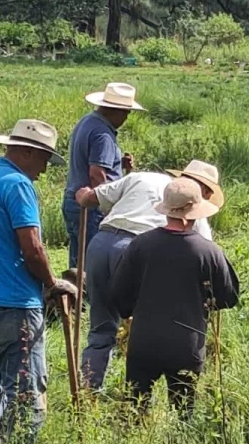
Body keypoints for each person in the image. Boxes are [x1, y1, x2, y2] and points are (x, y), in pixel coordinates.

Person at [0, 119, 77, 444]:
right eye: (44, 160)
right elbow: (32, 247)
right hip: (15, 304)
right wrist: (51, 283)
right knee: (26, 393)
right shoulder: (17, 185)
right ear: (28, 152)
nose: (44, 170)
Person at [74, 161, 222, 389]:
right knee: (144, 326)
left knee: (101, 327)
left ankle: (87, 391)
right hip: (135, 252)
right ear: (206, 191)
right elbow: (205, 254)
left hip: (100, 246)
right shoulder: (190, 206)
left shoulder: (142, 177)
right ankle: (136, 394)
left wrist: (83, 195)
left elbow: (90, 198)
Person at [111, 177, 239, 412]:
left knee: (135, 411)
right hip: (186, 347)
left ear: (166, 209)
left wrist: (131, 310)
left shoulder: (140, 245)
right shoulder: (208, 251)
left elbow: (120, 295)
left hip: (144, 344)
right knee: (183, 416)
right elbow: (228, 297)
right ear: (195, 211)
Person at [62, 82, 144, 269]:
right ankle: (89, 297)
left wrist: (117, 164)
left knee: (78, 263)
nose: (126, 118)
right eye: (126, 112)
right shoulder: (103, 134)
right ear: (115, 110)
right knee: (93, 264)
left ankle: (78, 296)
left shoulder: (87, 122)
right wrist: (107, 205)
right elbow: (96, 174)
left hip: (74, 201)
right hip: (91, 207)